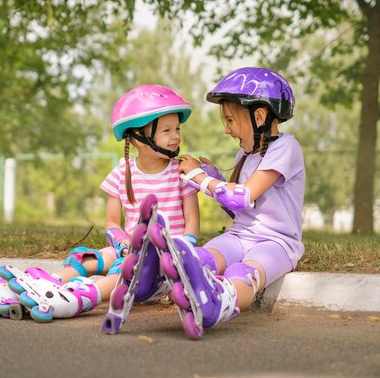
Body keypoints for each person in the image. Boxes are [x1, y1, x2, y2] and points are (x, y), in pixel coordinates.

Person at [0, 84, 200, 322]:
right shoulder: (122, 172)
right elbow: (111, 223)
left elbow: (192, 226)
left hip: (164, 261)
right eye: (166, 131)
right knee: (90, 258)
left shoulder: (181, 172)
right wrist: (123, 242)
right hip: (130, 249)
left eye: (177, 129)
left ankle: (79, 296)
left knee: (125, 267)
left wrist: (180, 255)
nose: (175, 136)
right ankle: (45, 284)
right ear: (137, 137)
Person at [127, 67, 305, 339]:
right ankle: (162, 278)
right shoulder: (244, 155)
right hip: (239, 235)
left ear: (259, 116)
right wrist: (212, 177)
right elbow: (238, 209)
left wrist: (201, 179)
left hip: (277, 242)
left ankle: (220, 302)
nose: (226, 129)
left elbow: (244, 195)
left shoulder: (285, 148)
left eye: (231, 120)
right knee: (204, 257)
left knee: (243, 272)